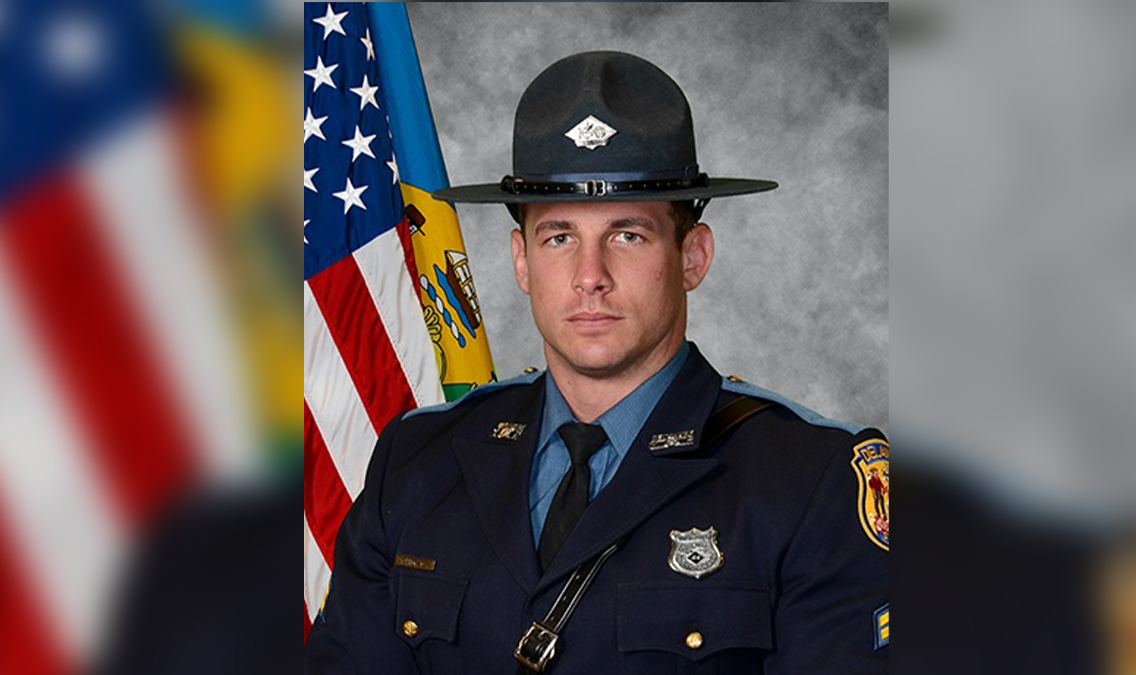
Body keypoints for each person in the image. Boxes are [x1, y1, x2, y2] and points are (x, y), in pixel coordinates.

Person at [305, 51, 888, 674]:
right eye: (559, 237)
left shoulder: (811, 482)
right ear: (522, 261)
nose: (590, 276)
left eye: (627, 235)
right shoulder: (417, 463)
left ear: (692, 257)